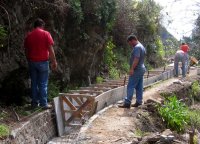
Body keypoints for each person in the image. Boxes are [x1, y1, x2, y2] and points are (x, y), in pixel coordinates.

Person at [24, 18, 57, 109]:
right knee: (43, 83)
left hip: (32, 62)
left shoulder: (29, 36)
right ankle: (44, 104)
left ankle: (34, 103)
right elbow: (50, 49)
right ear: (42, 26)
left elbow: (26, 50)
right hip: (43, 62)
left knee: (34, 83)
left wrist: (29, 60)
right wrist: (54, 61)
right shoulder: (46, 34)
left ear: (34, 26)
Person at [119, 35, 146, 109]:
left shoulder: (137, 47)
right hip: (141, 68)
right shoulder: (141, 46)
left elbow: (136, 59)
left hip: (137, 69)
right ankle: (139, 102)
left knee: (130, 85)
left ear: (133, 40)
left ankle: (127, 103)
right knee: (139, 86)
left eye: (130, 43)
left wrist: (132, 69)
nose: (130, 45)